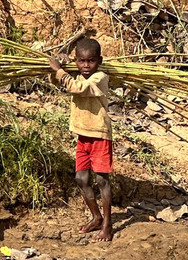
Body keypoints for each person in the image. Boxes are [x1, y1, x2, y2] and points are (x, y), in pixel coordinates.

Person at [49, 37, 113, 243]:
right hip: (83, 135)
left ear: (99, 61)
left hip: (99, 135)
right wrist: (58, 67)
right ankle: (96, 217)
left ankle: (107, 224)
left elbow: (78, 88)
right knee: (81, 179)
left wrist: (60, 71)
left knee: (102, 180)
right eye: (81, 61)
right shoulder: (76, 76)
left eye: (91, 61)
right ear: (76, 60)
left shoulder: (100, 78)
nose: (86, 65)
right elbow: (58, 81)